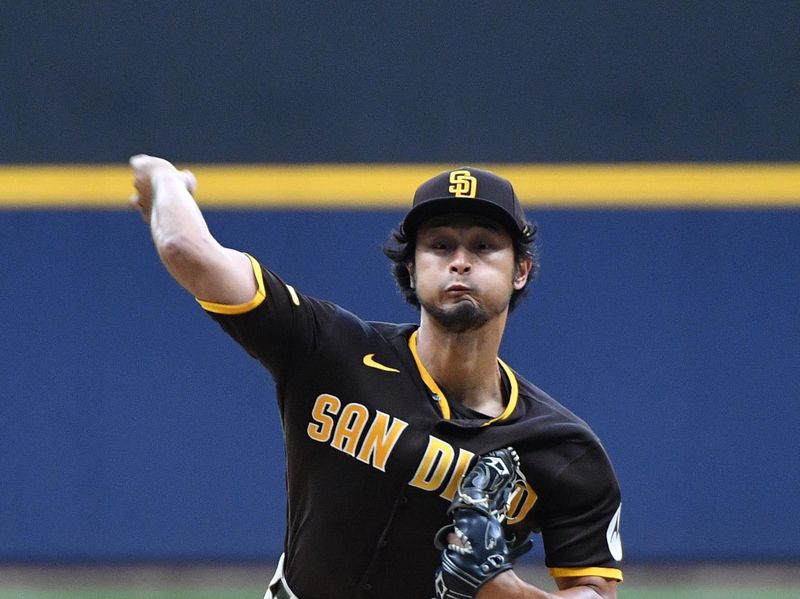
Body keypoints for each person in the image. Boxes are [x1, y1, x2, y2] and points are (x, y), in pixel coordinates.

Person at [129, 155, 623, 599]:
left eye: (485, 245)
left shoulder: (562, 450)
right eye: (439, 244)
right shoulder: (330, 349)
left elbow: (594, 593)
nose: (460, 260)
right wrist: (165, 180)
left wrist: (511, 595)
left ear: (521, 270)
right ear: (410, 269)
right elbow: (185, 248)